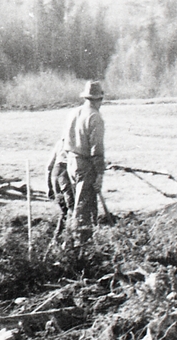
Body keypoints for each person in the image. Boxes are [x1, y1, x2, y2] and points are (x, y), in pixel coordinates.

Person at [59, 80, 105, 244]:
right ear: (99, 99)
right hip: (85, 166)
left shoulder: (73, 113)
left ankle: (73, 241)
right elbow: (97, 151)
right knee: (84, 209)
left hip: (71, 163)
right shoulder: (95, 117)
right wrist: (99, 175)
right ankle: (80, 247)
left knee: (76, 206)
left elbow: (64, 140)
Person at [45, 137, 73, 243]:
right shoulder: (75, 142)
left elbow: (49, 166)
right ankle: (67, 240)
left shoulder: (60, 143)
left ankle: (57, 239)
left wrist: (49, 187)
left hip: (55, 174)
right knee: (71, 209)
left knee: (64, 210)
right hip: (66, 173)